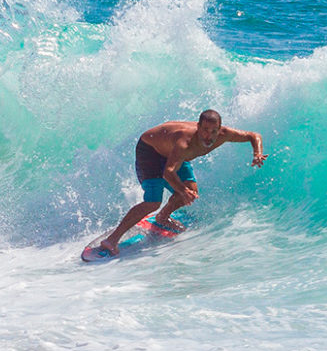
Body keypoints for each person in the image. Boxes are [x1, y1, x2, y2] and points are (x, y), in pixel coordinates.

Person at [100, 109, 268, 255]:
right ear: (198, 127)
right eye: (205, 130)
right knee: (153, 201)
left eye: (213, 131)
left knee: (191, 191)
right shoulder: (184, 143)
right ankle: (111, 240)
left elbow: (254, 135)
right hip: (150, 151)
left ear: (220, 130)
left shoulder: (224, 135)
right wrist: (181, 190)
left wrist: (257, 153)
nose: (209, 136)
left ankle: (162, 217)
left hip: (173, 154)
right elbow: (168, 173)